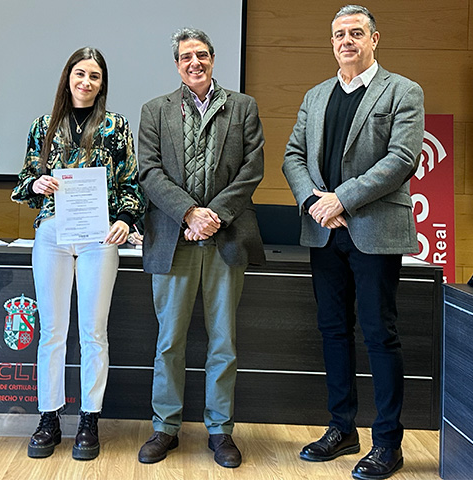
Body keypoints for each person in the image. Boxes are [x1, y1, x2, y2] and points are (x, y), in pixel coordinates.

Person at [282, 5, 424, 480]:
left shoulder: (403, 91)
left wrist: (340, 199)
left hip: (374, 230)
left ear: (375, 39)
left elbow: (401, 158)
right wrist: (313, 201)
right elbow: (294, 156)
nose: (347, 40)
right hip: (325, 233)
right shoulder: (316, 95)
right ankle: (342, 429)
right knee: (333, 331)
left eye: (356, 33)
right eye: (339, 34)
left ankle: (388, 442)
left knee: (379, 334)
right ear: (332, 43)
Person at [136, 28, 265, 469]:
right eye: (186, 56)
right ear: (177, 64)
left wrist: (214, 216)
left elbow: (252, 170)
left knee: (223, 341)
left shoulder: (243, 106)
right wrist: (190, 213)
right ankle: (165, 427)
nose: (195, 62)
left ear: (213, 59)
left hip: (226, 238)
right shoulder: (155, 111)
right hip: (173, 240)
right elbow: (149, 173)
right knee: (169, 340)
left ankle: (220, 430)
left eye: (202, 55)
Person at [11, 47, 144, 461]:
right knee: (51, 331)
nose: (86, 82)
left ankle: (89, 417)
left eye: (95, 77)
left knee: (93, 331)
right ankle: (48, 416)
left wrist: (125, 218)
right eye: (80, 74)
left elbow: (130, 183)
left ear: (103, 84)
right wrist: (37, 185)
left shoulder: (115, 125)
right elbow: (23, 181)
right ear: (68, 76)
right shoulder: (42, 126)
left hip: (98, 236)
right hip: (52, 233)